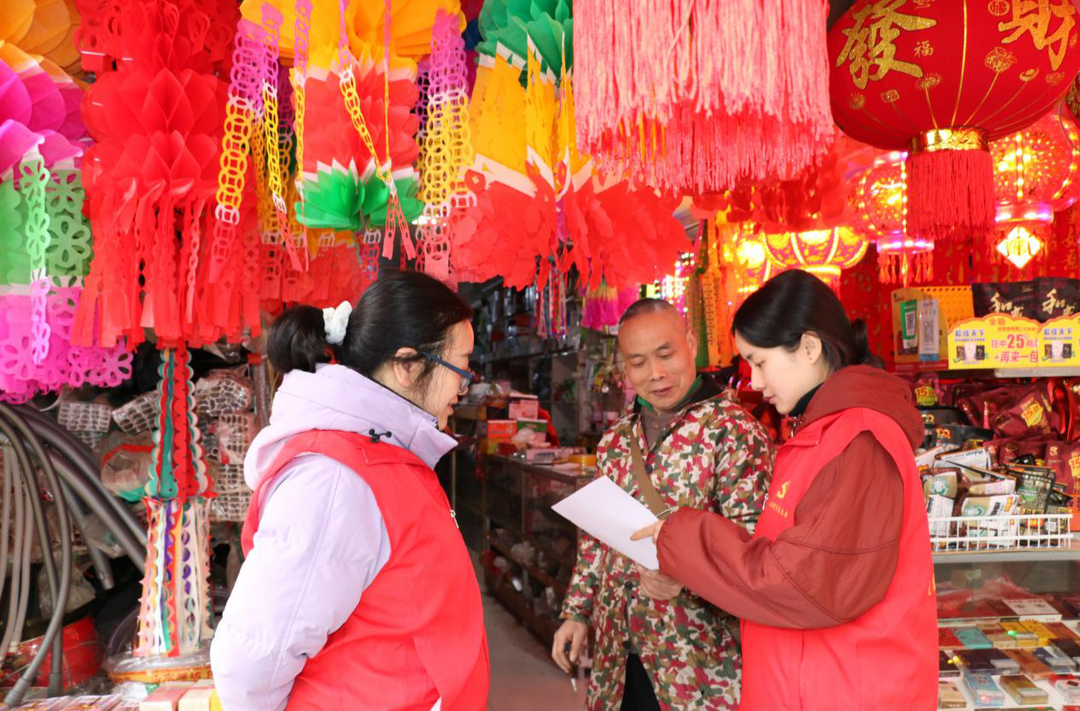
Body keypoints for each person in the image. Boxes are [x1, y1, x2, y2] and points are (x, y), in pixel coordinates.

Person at [634, 270, 937, 711]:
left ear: (809, 348)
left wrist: (679, 536)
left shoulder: (860, 440)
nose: (755, 382)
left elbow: (799, 580)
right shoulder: (824, 432)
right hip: (811, 684)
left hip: (846, 692)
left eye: (759, 361)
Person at [211, 270, 489, 711]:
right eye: (461, 366)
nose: (466, 383)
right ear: (407, 365)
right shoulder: (334, 479)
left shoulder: (380, 452)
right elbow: (251, 661)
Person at [552, 299, 773, 711]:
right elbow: (596, 539)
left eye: (665, 354)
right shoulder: (616, 441)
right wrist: (577, 612)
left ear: (690, 343)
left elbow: (754, 549)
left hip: (697, 663)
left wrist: (687, 578)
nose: (655, 374)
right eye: (638, 362)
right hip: (618, 653)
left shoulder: (734, 432)